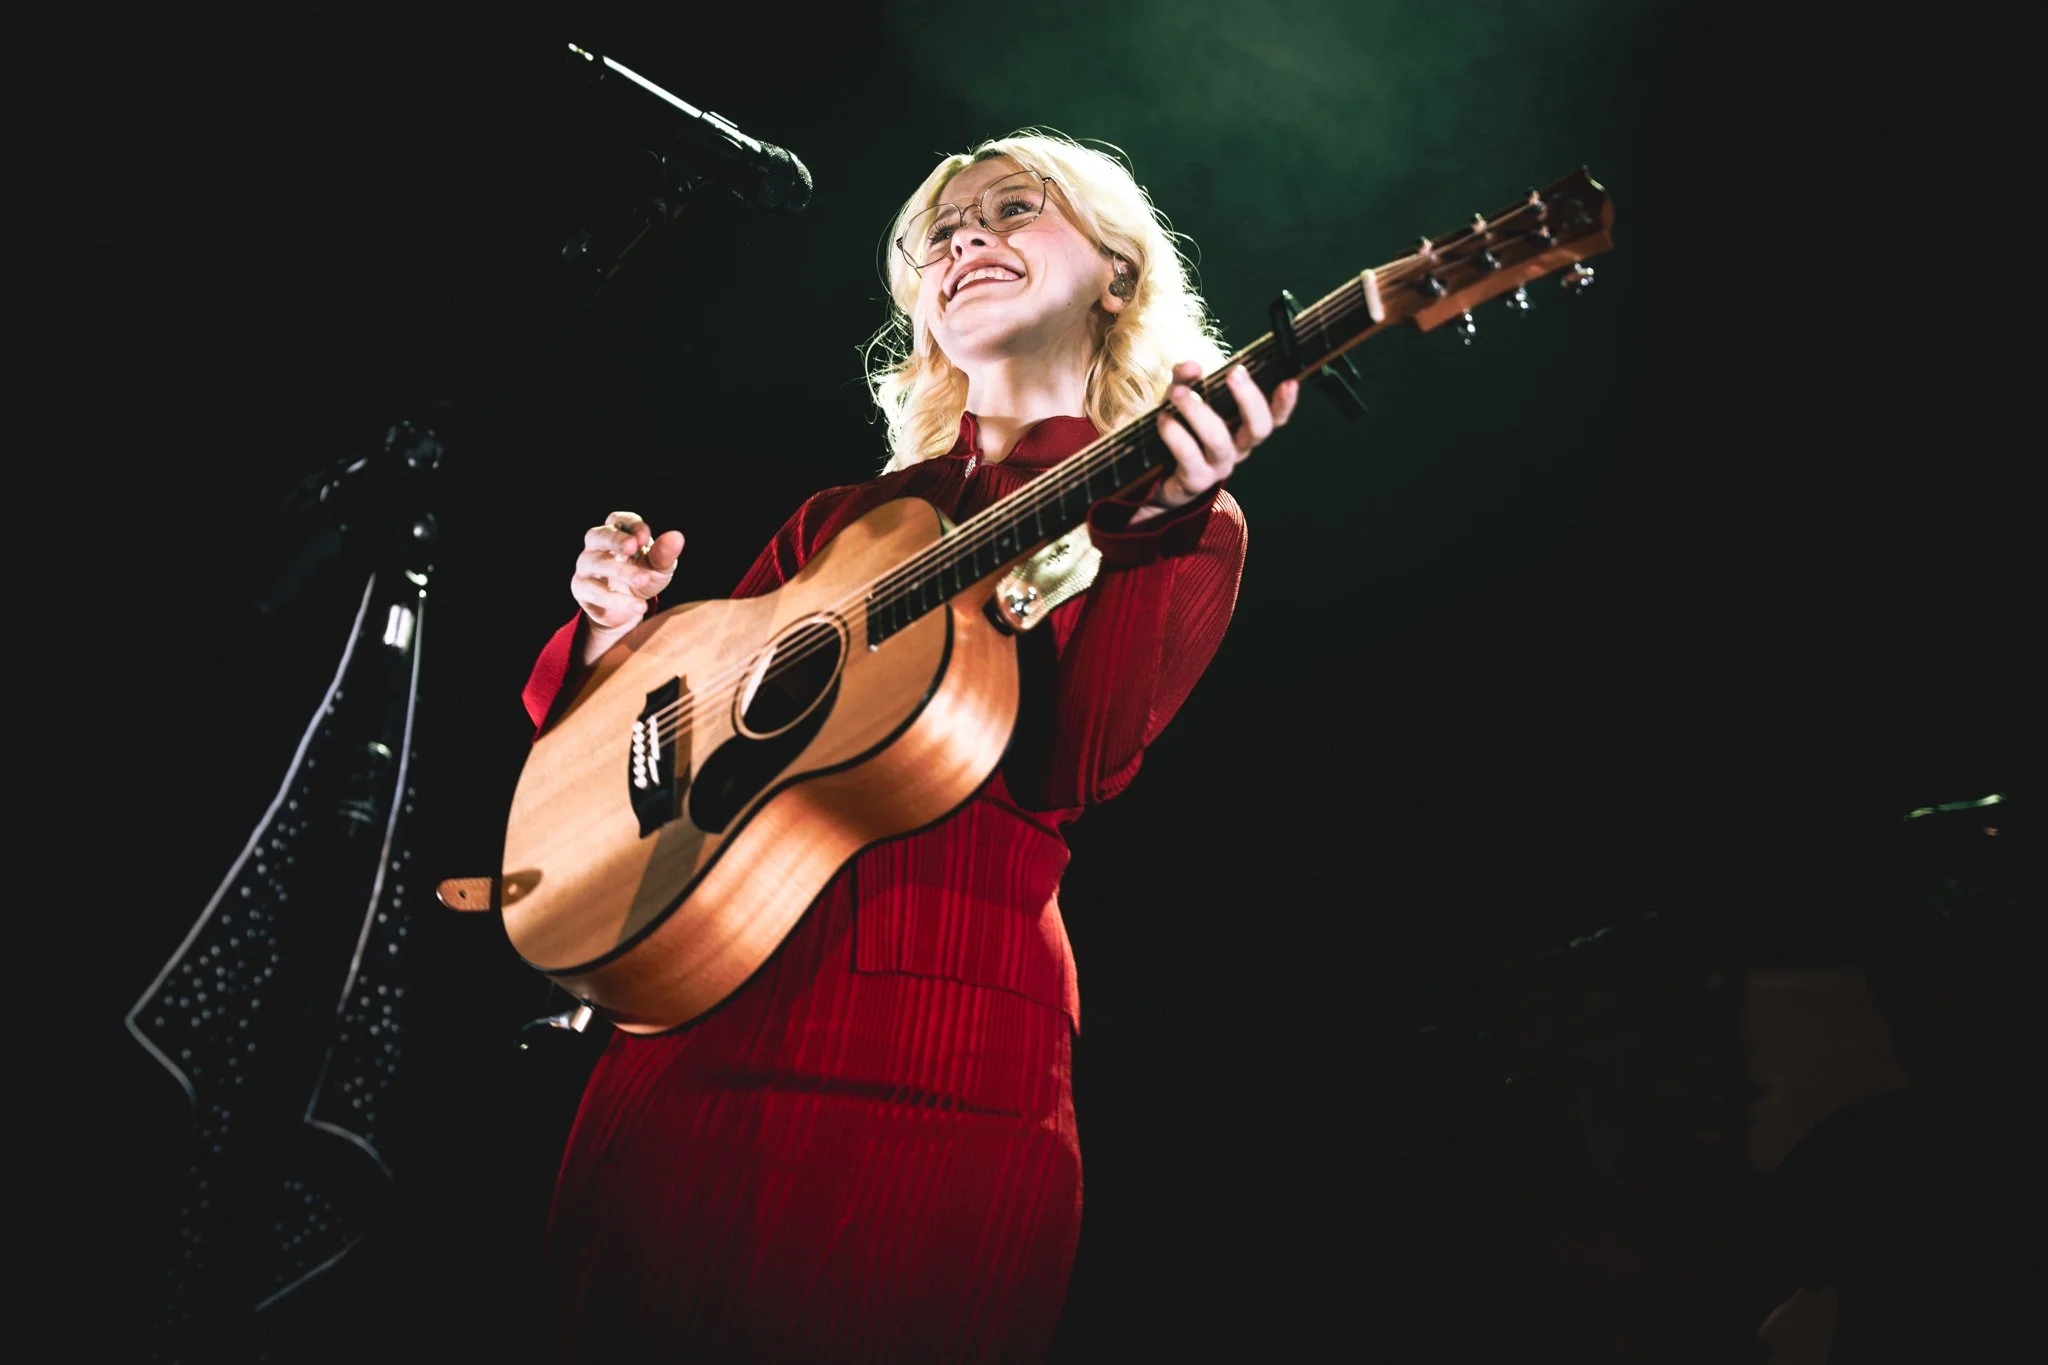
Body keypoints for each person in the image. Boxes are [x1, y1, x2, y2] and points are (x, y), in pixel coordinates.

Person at [515, 128, 1301, 1363]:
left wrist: (1152, 534)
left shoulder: (1177, 516)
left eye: (1010, 210)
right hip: (690, 1037)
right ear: (922, 315)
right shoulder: (840, 523)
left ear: (1117, 275)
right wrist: (615, 641)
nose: (961, 239)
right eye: (936, 234)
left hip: (937, 1063)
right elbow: (654, 774)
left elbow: (1071, 771)